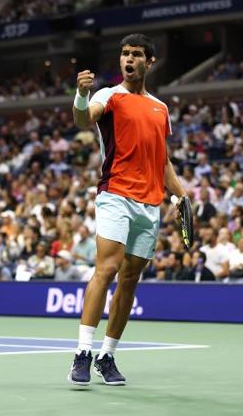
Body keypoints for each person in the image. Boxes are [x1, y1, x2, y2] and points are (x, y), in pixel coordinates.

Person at [68, 33, 187, 386]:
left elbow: (162, 159)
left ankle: (107, 356)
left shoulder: (160, 109)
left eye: (136, 54)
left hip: (150, 204)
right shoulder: (108, 96)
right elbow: (81, 120)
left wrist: (181, 196)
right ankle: (82, 352)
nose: (128, 59)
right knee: (105, 269)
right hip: (115, 194)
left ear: (150, 61)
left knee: (130, 279)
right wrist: (80, 93)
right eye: (124, 54)